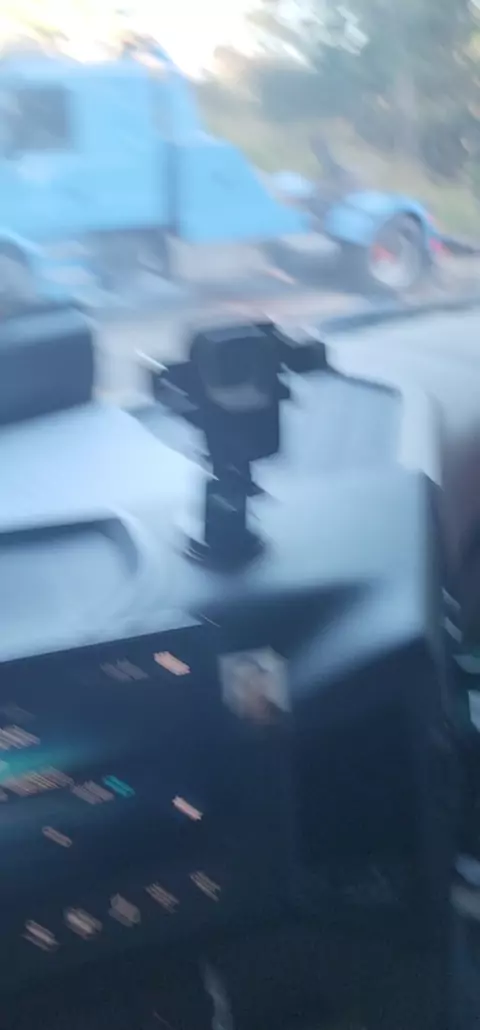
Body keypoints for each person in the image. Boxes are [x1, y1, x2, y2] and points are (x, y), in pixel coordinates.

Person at [226, 655, 282, 724]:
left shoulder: (281, 717)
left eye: (253, 677)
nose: (252, 687)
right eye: (244, 683)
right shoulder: (230, 722)